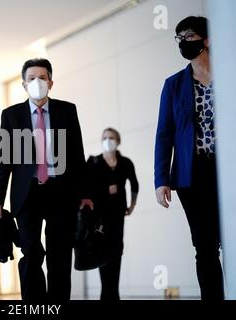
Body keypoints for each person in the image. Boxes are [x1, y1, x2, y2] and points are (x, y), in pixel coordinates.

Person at [0, 58, 93, 301]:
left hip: (60, 193)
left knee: (60, 256)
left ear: (51, 82)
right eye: (32, 78)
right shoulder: (12, 115)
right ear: (24, 84)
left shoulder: (67, 111)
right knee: (32, 254)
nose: (38, 82)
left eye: (43, 78)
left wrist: (85, 194)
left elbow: (78, 156)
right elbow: (4, 161)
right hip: (27, 195)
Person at [154, 16, 224, 300]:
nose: (184, 41)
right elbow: (164, 134)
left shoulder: (228, 72)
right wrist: (161, 180)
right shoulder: (174, 85)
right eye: (179, 36)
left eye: (190, 35)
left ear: (206, 40)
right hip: (192, 175)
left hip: (226, 171)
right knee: (205, 246)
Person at [85, 128, 138, 300]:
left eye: (112, 137)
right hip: (100, 218)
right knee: (103, 253)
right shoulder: (94, 162)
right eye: (105, 138)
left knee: (116, 251)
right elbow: (86, 188)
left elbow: (134, 184)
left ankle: (113, 293)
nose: (108, 140)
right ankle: (106, 293)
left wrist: (132, 205)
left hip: (117, 216)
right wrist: (105, 190)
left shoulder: (125, 163)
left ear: (118, 141)